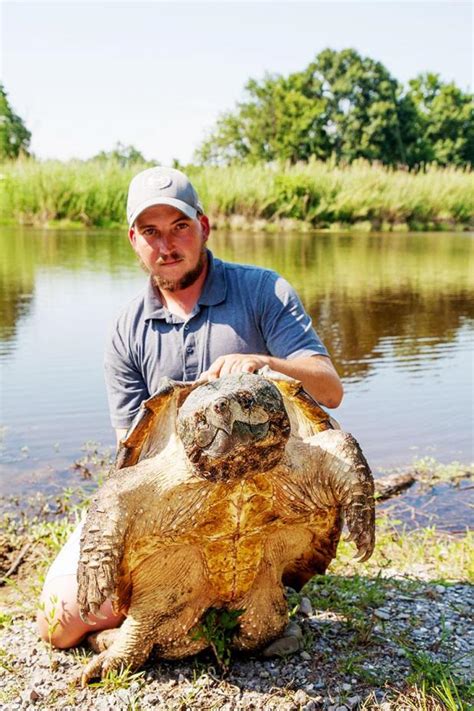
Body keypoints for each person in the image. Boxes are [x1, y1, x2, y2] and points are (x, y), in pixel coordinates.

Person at [37, 167, 343, 649]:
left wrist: (262, 362)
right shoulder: (126, 331)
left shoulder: (262, 291)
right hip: (176, 499)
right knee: (61, 624)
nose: (167, 245)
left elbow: (329, 389)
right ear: (133, 239)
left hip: (262, 495)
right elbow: (130, 454)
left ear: (204, 226)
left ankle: (222, 607)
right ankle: (179, 613)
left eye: (179, 226)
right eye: (152, 232)